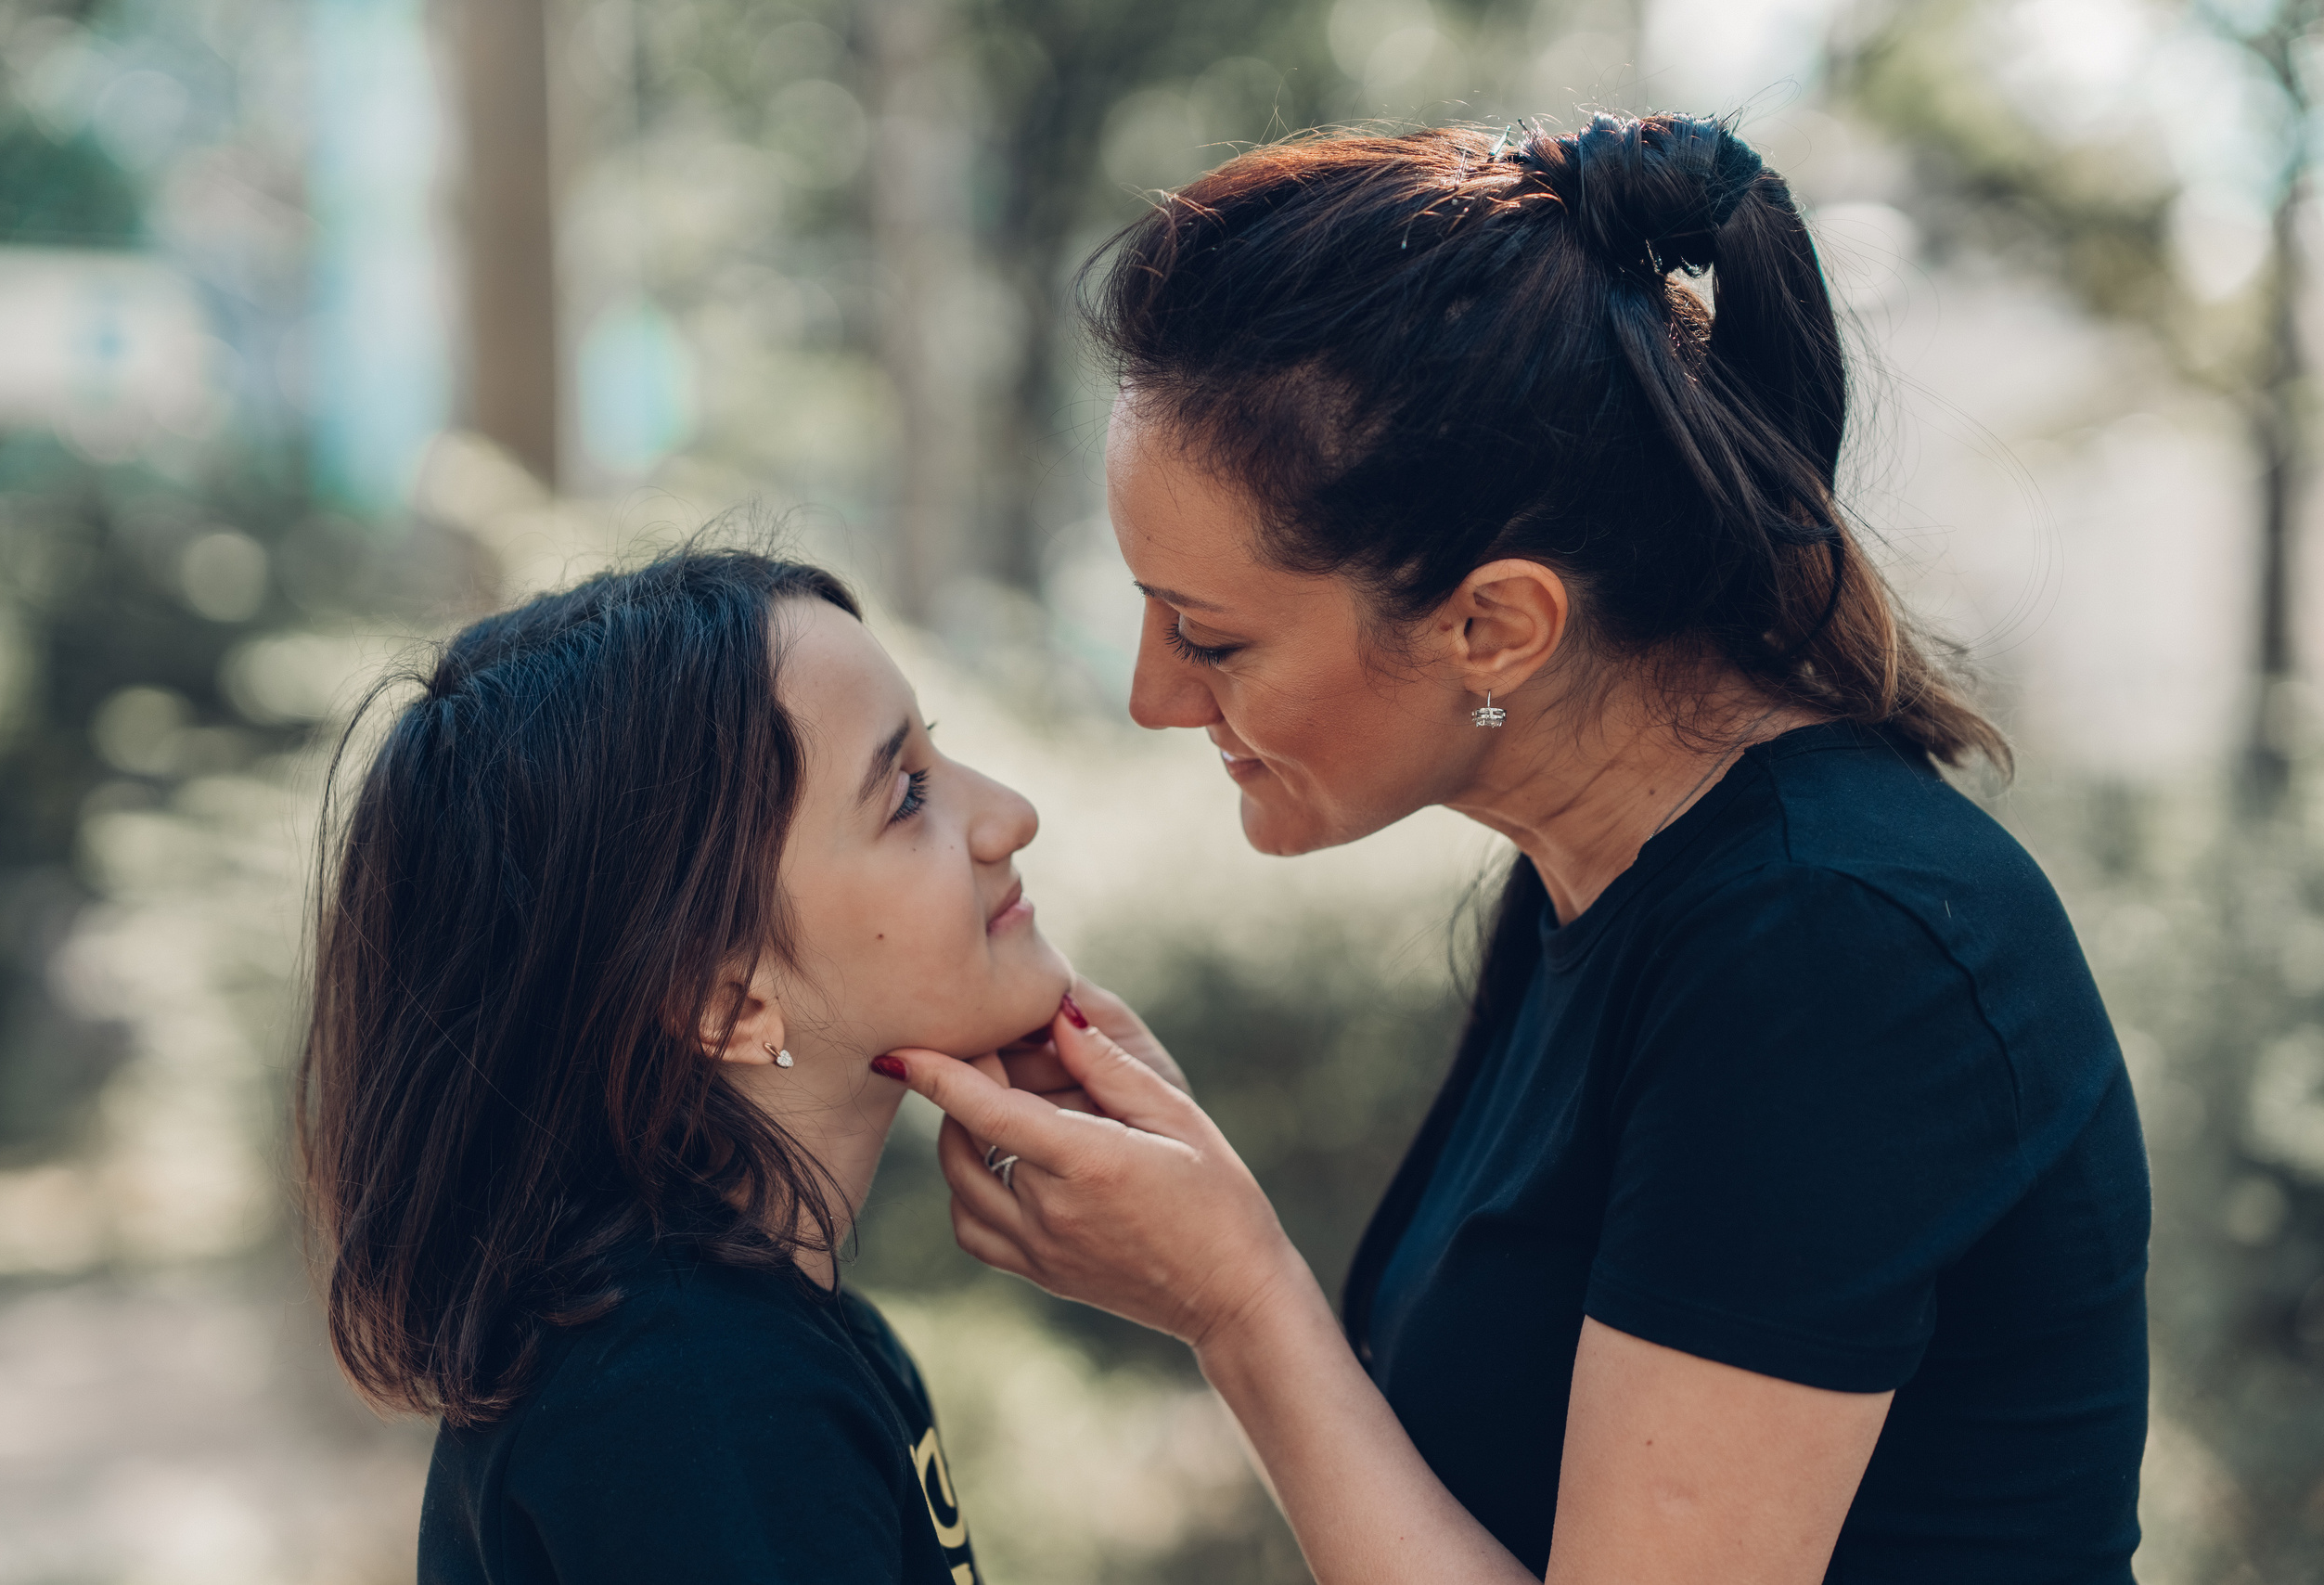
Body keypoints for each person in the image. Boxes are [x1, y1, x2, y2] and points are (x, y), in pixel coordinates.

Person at [879, 114, 2151, 1585]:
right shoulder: (1595, 877)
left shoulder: (1829, 944)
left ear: (1497, 626)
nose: (1154, 698)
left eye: (1212, 638)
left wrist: (1238, 1306)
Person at [296, 548, 1082, 1584]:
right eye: (905, 794)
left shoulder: (749, 1351)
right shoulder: (699, 1404)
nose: (1009, 815)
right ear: (727, 1001)